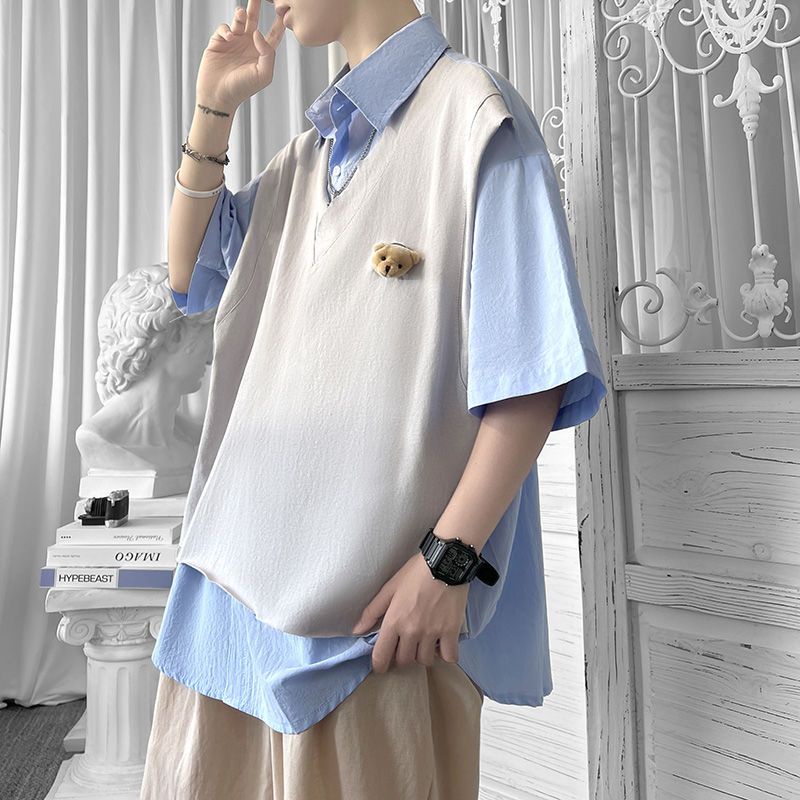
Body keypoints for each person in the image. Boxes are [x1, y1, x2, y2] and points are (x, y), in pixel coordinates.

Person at [140, 1, 608, 798]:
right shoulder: (306, 159)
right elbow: (191, 273)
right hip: (224, 603)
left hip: (367, 631)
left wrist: (447, 565)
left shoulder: (475, 120)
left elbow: (532, 378)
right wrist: (213, 107)